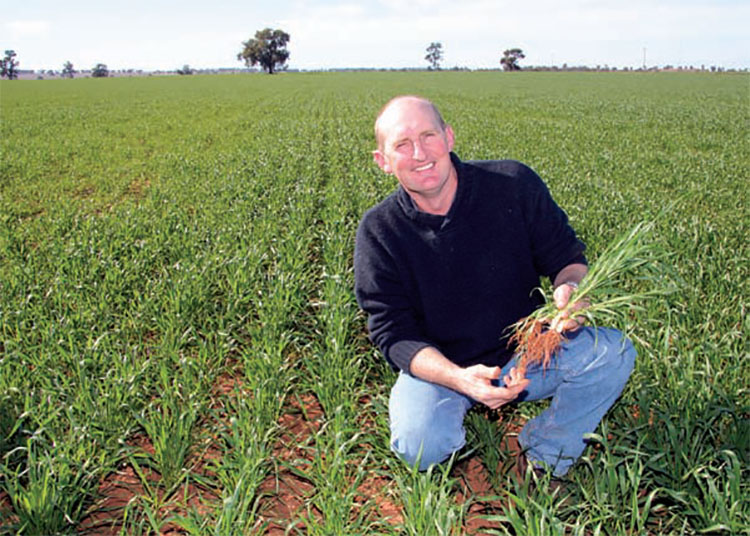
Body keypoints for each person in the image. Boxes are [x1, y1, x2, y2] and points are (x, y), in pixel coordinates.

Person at [353, 95, 636, 477]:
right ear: (383, 161)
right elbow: (393, 334)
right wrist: (458, 378)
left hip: (529, 353)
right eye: (402, 145)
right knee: (420, 447)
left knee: (612, 352)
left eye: (428, 135)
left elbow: (566, 258)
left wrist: (570, 293)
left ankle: (548, 453)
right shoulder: (379, 231)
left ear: (449, 137)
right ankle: (451, 423)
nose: (419, 152)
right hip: (442, 367)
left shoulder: (512, 185)